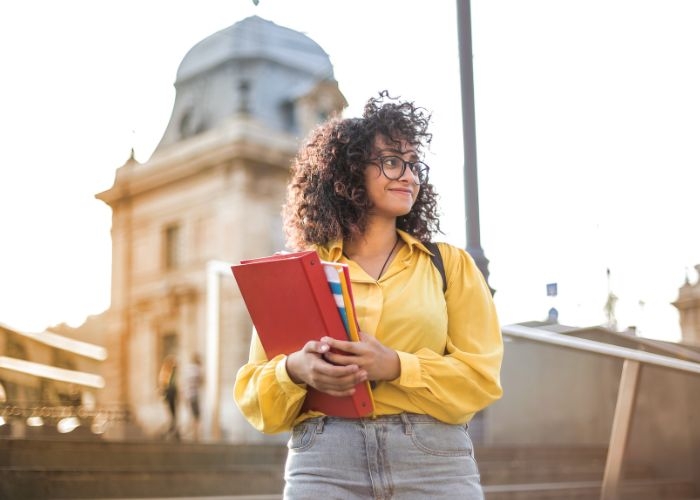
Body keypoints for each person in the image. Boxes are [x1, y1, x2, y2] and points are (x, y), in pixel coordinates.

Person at [234, 91, 503, 499]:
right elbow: (256, 395)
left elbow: (481, 379)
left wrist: (396, 366)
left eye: (414, 164)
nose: (409, 175)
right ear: (348, 172)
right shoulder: (300, 273)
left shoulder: (449, 265)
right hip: (324, 459)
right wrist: (295, 370)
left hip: (432, 460)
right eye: (392, 161)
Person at [158, 354, 179, 440]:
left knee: (173, 414)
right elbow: (163, 384)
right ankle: (171, 429)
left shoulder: (171, 372)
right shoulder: (166, 372)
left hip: (171, 394)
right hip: (169, 393)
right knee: (171, 413)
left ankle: (172, 428)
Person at [183, 353, 204, 441]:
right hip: (194, 395)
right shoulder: (196, 369)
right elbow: (201, 381)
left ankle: (193, 434)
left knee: (192, 415)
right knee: (197, 416)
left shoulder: (187, 369)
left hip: (187, 395)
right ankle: (196, 435)